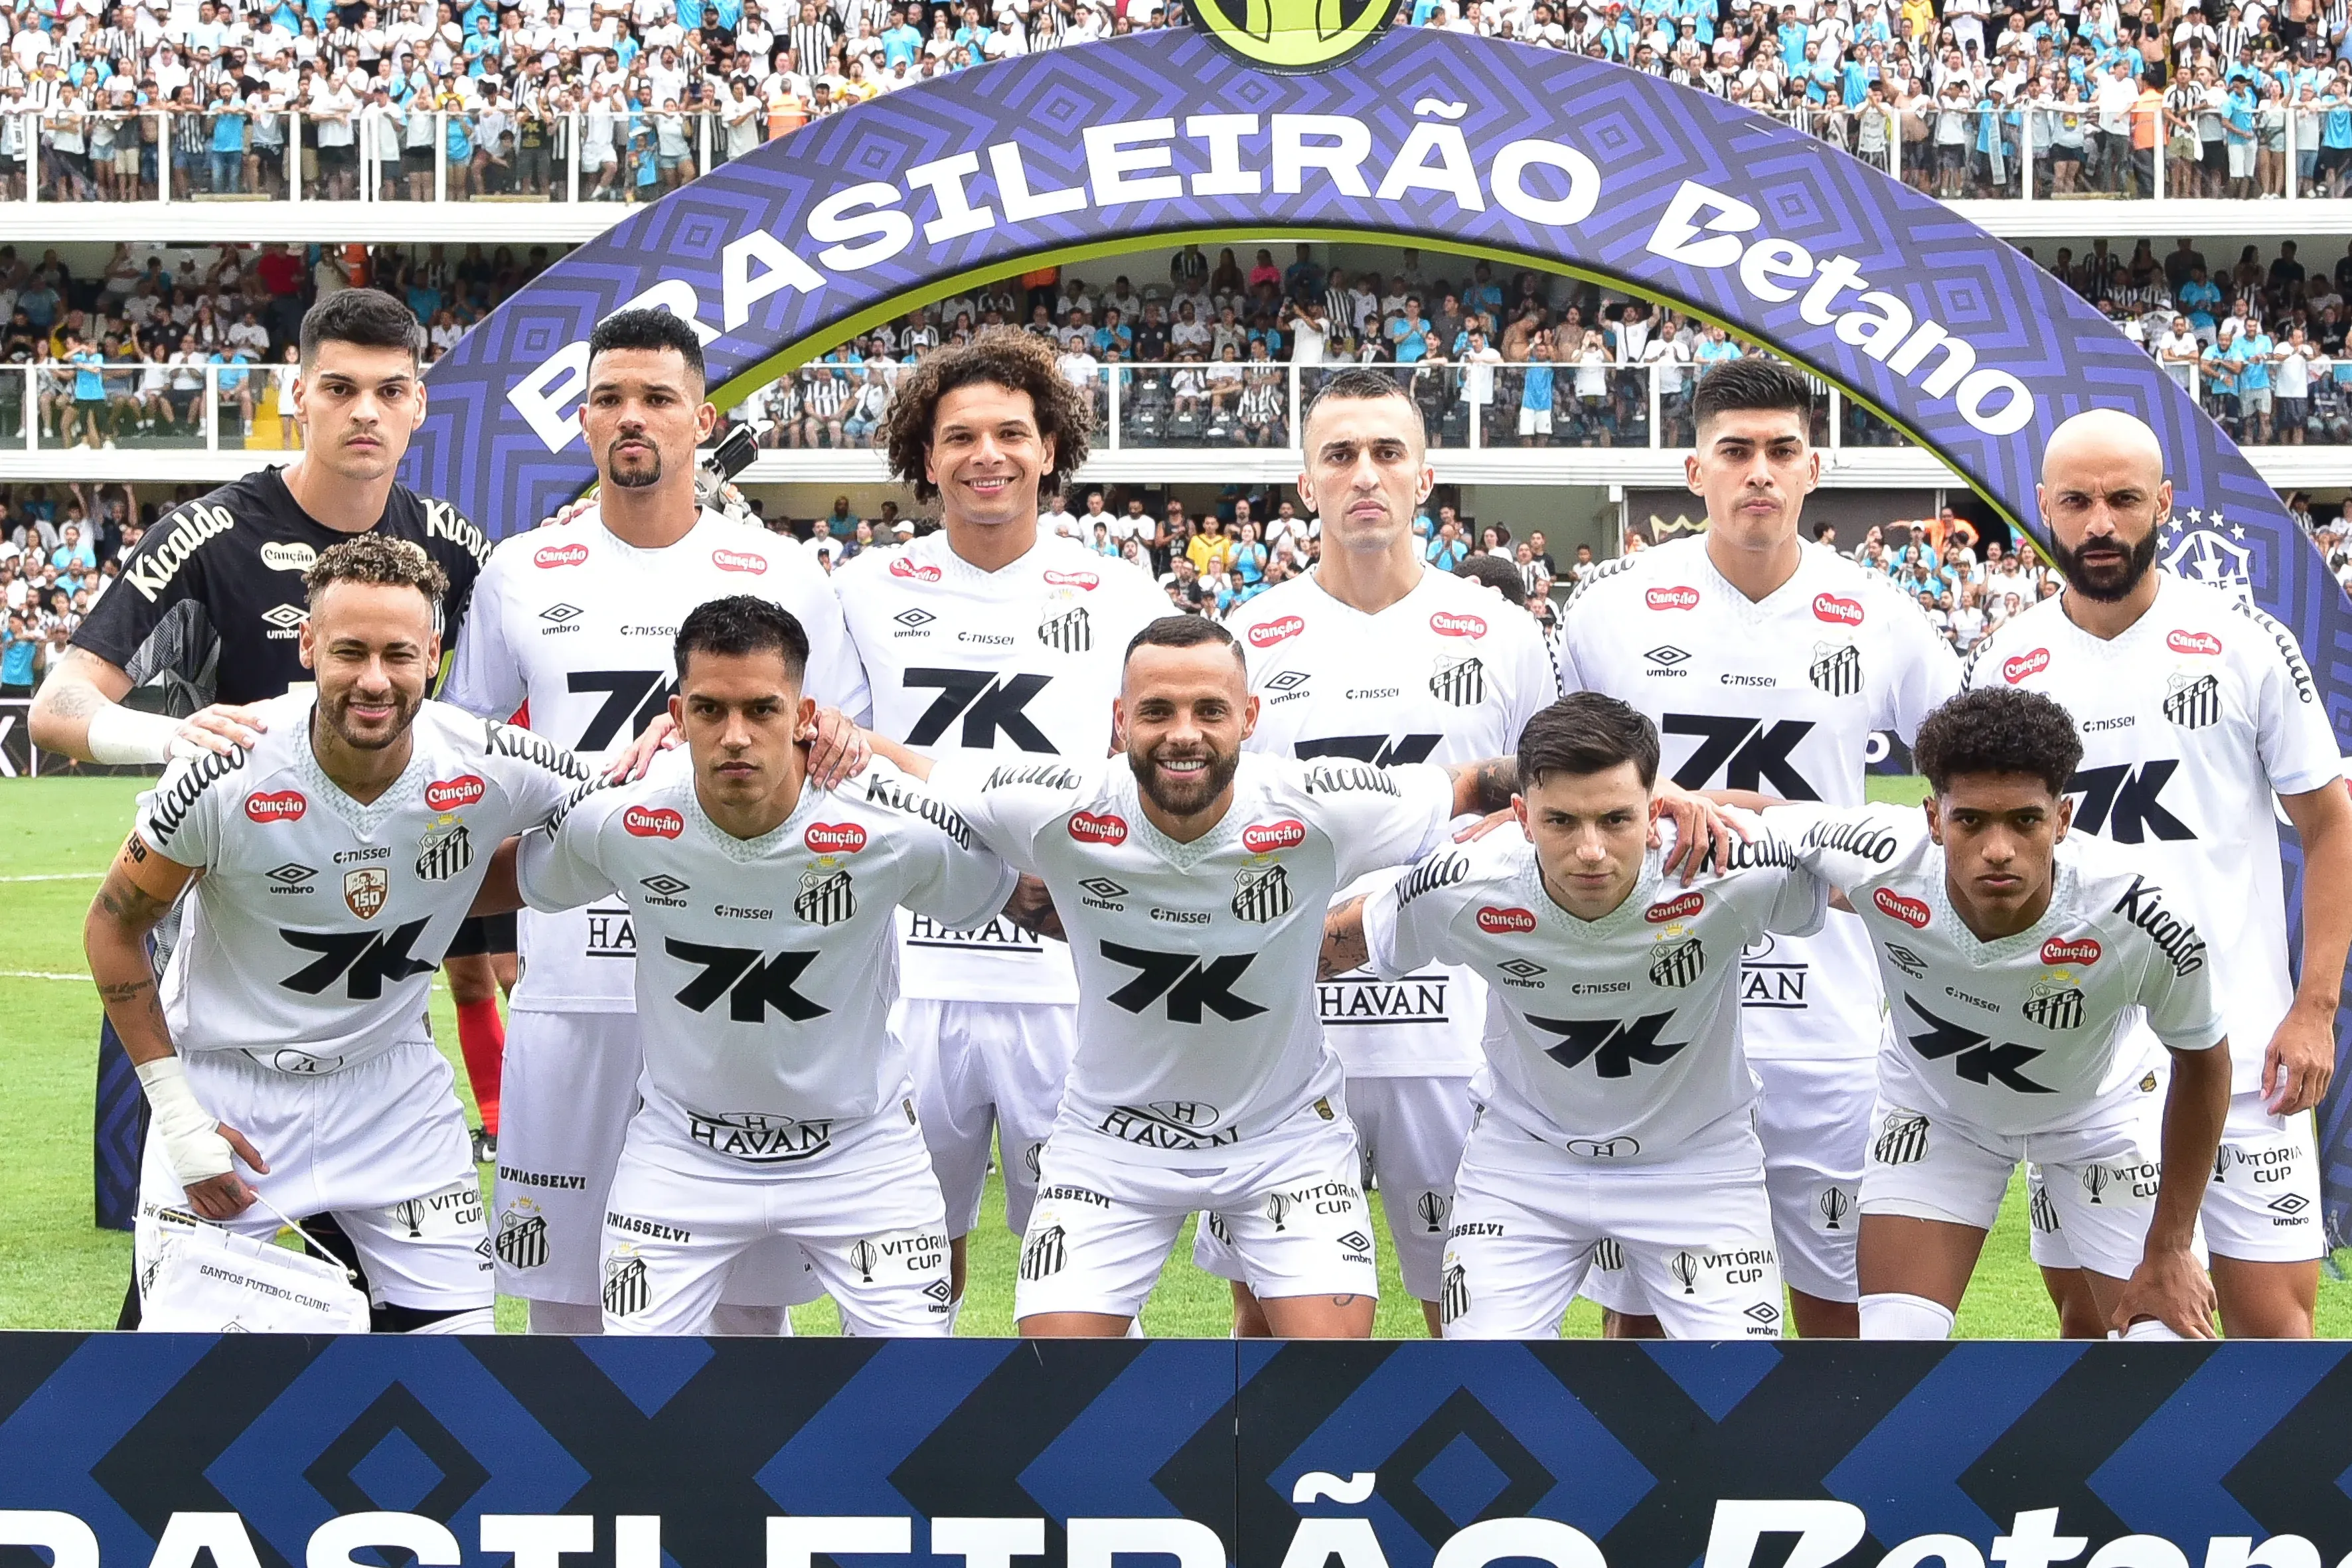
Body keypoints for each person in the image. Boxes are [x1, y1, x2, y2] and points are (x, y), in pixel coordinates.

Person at [29, 287, 496, 1319]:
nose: (364, 411)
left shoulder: (457, 551)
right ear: (299, 395)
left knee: (425, 1328)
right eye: (339, 388)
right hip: (225, 953)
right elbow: (56, 710)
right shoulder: (211, 533)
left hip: (375, 998)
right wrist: (172, 735)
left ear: (419, 405)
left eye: (388, 390)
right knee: (195, 1312)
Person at [900, 615, 1524, 1337]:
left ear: (1250, 717)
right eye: (1157, 710)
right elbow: (917, 775)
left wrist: (1654, 792)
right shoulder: (1059, 802)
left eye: (1210, 710)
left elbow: (1477, 782)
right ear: (1120, 719)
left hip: (1282, 1137)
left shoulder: (1318, 805)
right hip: (1111, 1139)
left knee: (1327, 1362)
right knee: (1059, 1374)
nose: (1183, 734)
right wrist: (828, 739)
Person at [444, 307, 871, 1336]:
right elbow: (462, 756)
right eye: (608, 399)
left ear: (702, 419)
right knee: (565, 1304)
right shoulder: (519, 571)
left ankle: (726, 1498)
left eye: (655, 399)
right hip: (573, 985)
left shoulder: (779, 571)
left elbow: (841, 754)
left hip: (737, 990)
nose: (630, 417)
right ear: (583, 422)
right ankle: (578, 1502)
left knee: (739, 1312)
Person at [482, 597, 1029, 1334]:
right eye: (709, 709)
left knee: (910, 1394)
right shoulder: (623, 815)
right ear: (676, 717)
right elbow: (481, 883)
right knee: (638, 1396)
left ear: (806, 714)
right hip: (683, 1150)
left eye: (763, 710)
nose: (735, 736)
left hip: (858, 1152)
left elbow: (1029, 898)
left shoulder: (887, 822)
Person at [86, 535, 591, 1334]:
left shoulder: (491, 761)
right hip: (231, 1095)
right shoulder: (227, 767)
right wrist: (178, 1115)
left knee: (456, 1377)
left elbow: (618, 818)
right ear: (308, 645)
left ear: (434, 653)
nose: (374, 680)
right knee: (188, 1399)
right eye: (349, 651)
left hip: (392, 1094)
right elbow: (112, 929)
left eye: (399, 653)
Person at [1555, 356, 1960, 1340]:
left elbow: (1965, 789)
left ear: (1812, 468)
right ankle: (1641, 1500)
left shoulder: (1880, 616)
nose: (1758, 474)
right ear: (1692, 472)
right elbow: (1551, 794)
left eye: (1780, 451)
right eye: (1733, 452)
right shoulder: (1609, 611)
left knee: (1833, 1314)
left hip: (1822, 1019)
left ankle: (1826, 1494)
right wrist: (1655, 799)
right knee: (1641, 1324)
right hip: (1649, 1008)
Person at [1963, 408, 2351, 1340]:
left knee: (2274, 1338)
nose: (2100, 521)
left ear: (2162, 505)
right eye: (2076, 501)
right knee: (2094, 1335)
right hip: (2084, 1062)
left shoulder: (2241, 641)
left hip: (2245, 1054)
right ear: (2044, 512)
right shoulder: (2006, 660)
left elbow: (2331, 823)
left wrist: (2313, 1007)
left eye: (2122, 499)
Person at [1210, 367, 1561, 1335]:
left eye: (1385, 453)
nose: (1363, 474)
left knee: (1467, 1309)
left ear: (1423, 476)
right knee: (1269, 1313)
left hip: (1453, 1023)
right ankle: (1273, 1491)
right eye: (1339, 455)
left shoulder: (1498, 632)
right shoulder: (1249, 633)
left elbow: (1549, 813)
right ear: (1305, 484)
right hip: (1286, 1027)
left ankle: (1475, 1493)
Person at [829, 329, 1167, 1315]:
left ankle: (1094, 1466)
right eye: (960, 435)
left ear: (1050, 447)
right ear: (923, 456)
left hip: (1069, 978)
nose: (988, 454)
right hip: (903, 975)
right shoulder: (863, 589)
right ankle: (912, 1461)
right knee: (905, 1270)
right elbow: (838, 764)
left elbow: (1138, 781)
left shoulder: (1117, 593)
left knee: (1084, 1273)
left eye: (1012, 432)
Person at [1319, 693, 1822, 1337]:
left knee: (1742, 1400)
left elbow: (1855, 871)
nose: (1591, 850)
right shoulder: (1463, 880)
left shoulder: (1729, 868)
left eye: (1616, 819)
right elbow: (1330, 944)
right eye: (1562, 822)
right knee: (1487, 1393)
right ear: (1522, 817)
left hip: (1696, 1165)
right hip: (1524, 1165)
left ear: (1656, 809)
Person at [1763, 686, 2231, 1340]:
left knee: (2159, 1353)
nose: (1999, 848)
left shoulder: (2143, 916)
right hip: (1939, 1115)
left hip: (2102, 1117)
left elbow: (2205, 1060)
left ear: (2063, 819)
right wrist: (1673, 801)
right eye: (1972, 821)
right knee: (1890, 1354)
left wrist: (2172, 1246)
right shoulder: (1878, 854)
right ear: (1933, 817)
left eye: (2026, 821)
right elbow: (1761, 818)